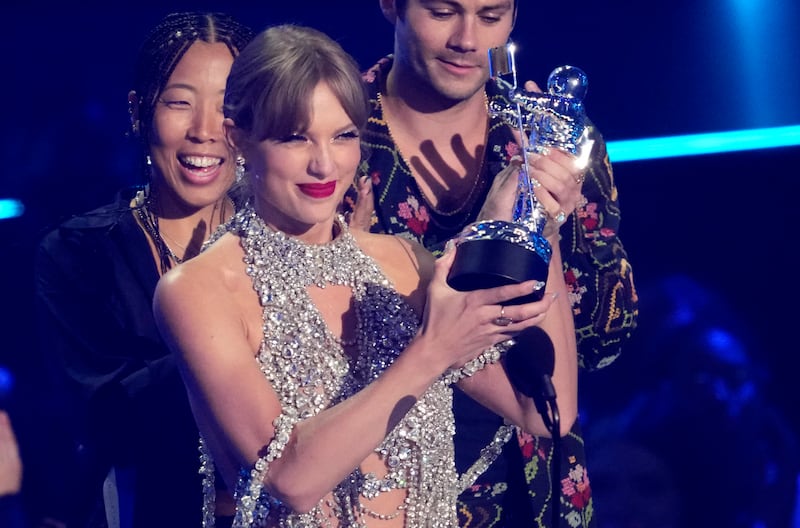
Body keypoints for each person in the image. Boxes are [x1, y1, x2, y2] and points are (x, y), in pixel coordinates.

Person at [152, 23, 578, 527]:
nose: (324, 164)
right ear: (237, 137)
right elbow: (289, 480)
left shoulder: (405, 262)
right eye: (295, 138)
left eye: (344, 135)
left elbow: (544, 412)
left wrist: (538, 221)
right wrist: (432, 351)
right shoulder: (197, 290)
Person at [340, 1, 638, 525]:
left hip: (529, 488)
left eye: (491, 14)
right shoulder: (334, 132)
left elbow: (604, 341)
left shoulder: (552, 134)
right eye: (441, 11)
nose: (467, 39)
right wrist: (491, 232)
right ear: (392, 5)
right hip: (373, 488)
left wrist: (550, 228)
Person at [34, 12, 254, 527]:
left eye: (227, 108)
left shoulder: (286, 241)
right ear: (139, 111)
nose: (204, 132)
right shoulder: (77, 252)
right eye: (180, 103)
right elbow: (105, 417)